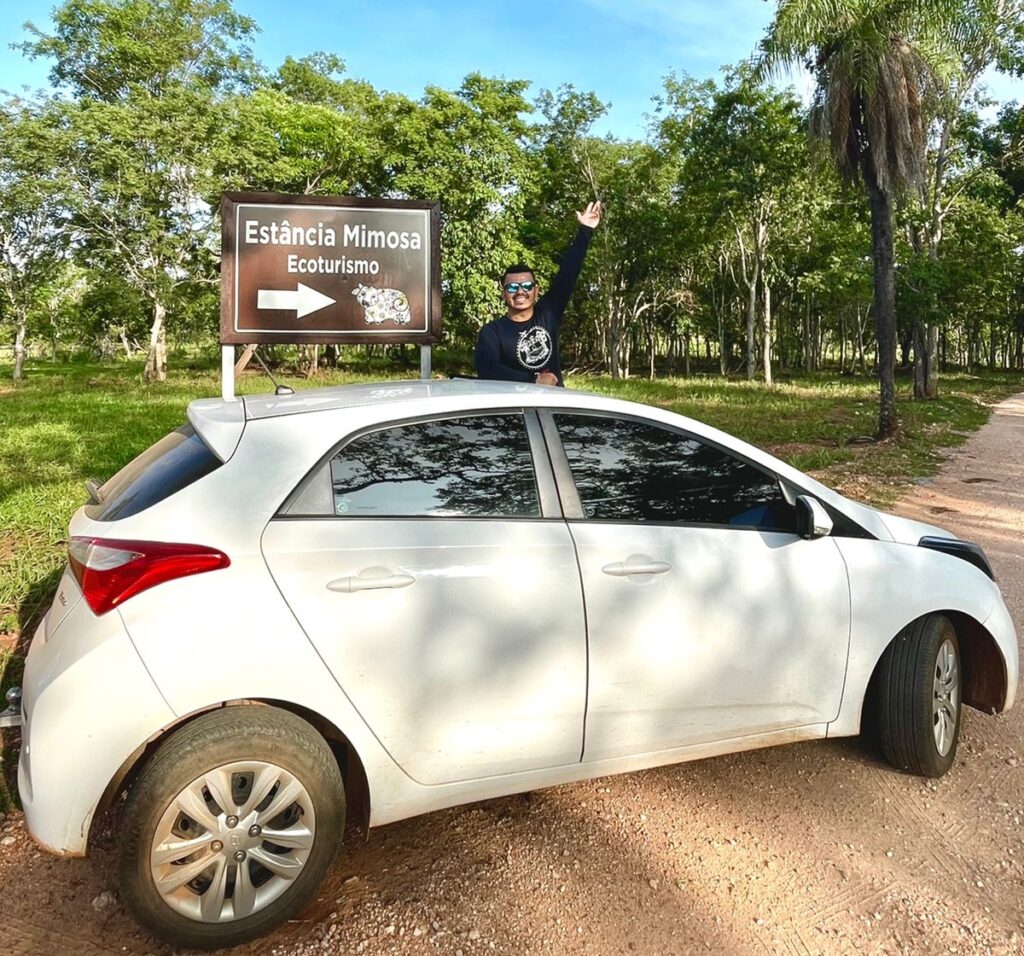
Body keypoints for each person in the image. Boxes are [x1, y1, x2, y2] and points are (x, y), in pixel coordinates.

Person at [474, 202, 602, 386]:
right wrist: (534, 380)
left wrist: (586, 230)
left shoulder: (547, 314)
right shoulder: (493, 332)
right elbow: (487, 368)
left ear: (536, 290)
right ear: (503, 294)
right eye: (512, 287)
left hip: (551, 408)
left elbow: (568, 274)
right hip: (515, 410)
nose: (520, 292)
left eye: (526, 286)